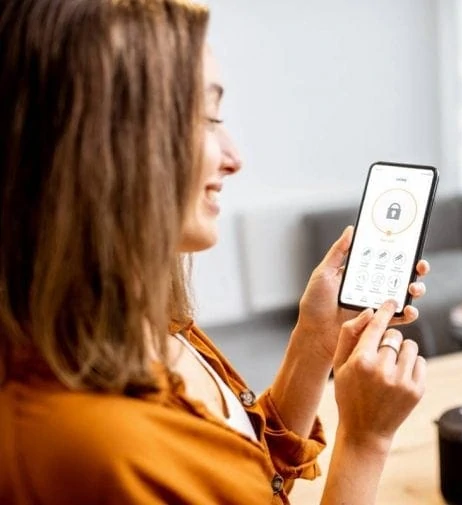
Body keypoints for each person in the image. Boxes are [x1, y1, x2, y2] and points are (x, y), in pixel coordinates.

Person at [0, 1, 430, 504]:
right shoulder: (107, 451)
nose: (234, 158)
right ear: (101, 147)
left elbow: (245, 471)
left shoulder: (148, 324)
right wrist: (365, 441)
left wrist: (315, 338)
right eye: (203, 118)